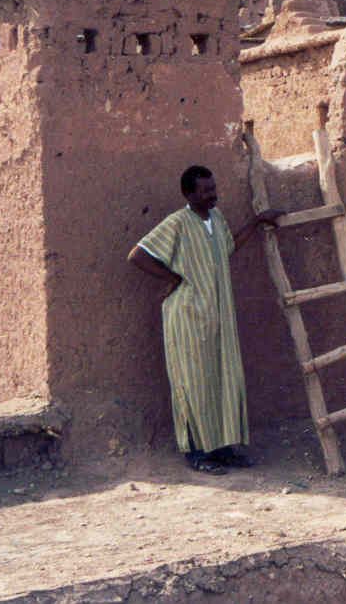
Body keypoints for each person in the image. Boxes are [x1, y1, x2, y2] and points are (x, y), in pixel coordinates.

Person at [128, 165, 281, 474]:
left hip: (218, 316)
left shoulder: (217, 218)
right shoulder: (178, 223)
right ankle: (197, 454)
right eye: (206, 191)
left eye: (213, 189)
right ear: (188, 194)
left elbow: (228, 247)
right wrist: (173, 279)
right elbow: (137, 255)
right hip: (187, 317)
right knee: (194, 384)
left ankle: (223, 449)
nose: (213, 195)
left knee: (221, 378)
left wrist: (256, 222)